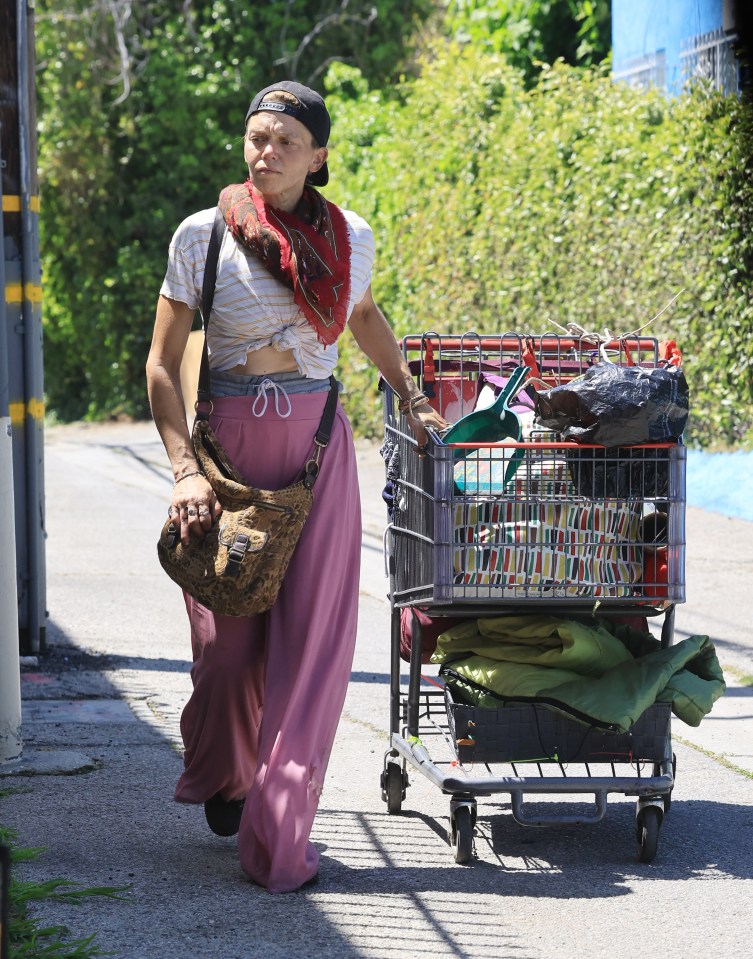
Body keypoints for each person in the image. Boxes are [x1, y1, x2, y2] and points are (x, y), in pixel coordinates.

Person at [145, 80, 446, 893]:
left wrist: (411, 395)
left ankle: (278, 836)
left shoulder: (351, 238)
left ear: (317, 157)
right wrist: (182, 473)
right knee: (228, 653)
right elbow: (161, 365)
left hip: (316, 450)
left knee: (313, 651)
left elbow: (367, 317)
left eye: (283, 141)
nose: (264, 152)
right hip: (227, 458)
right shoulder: (202, 236)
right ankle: (225, 770)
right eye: (255, 138)